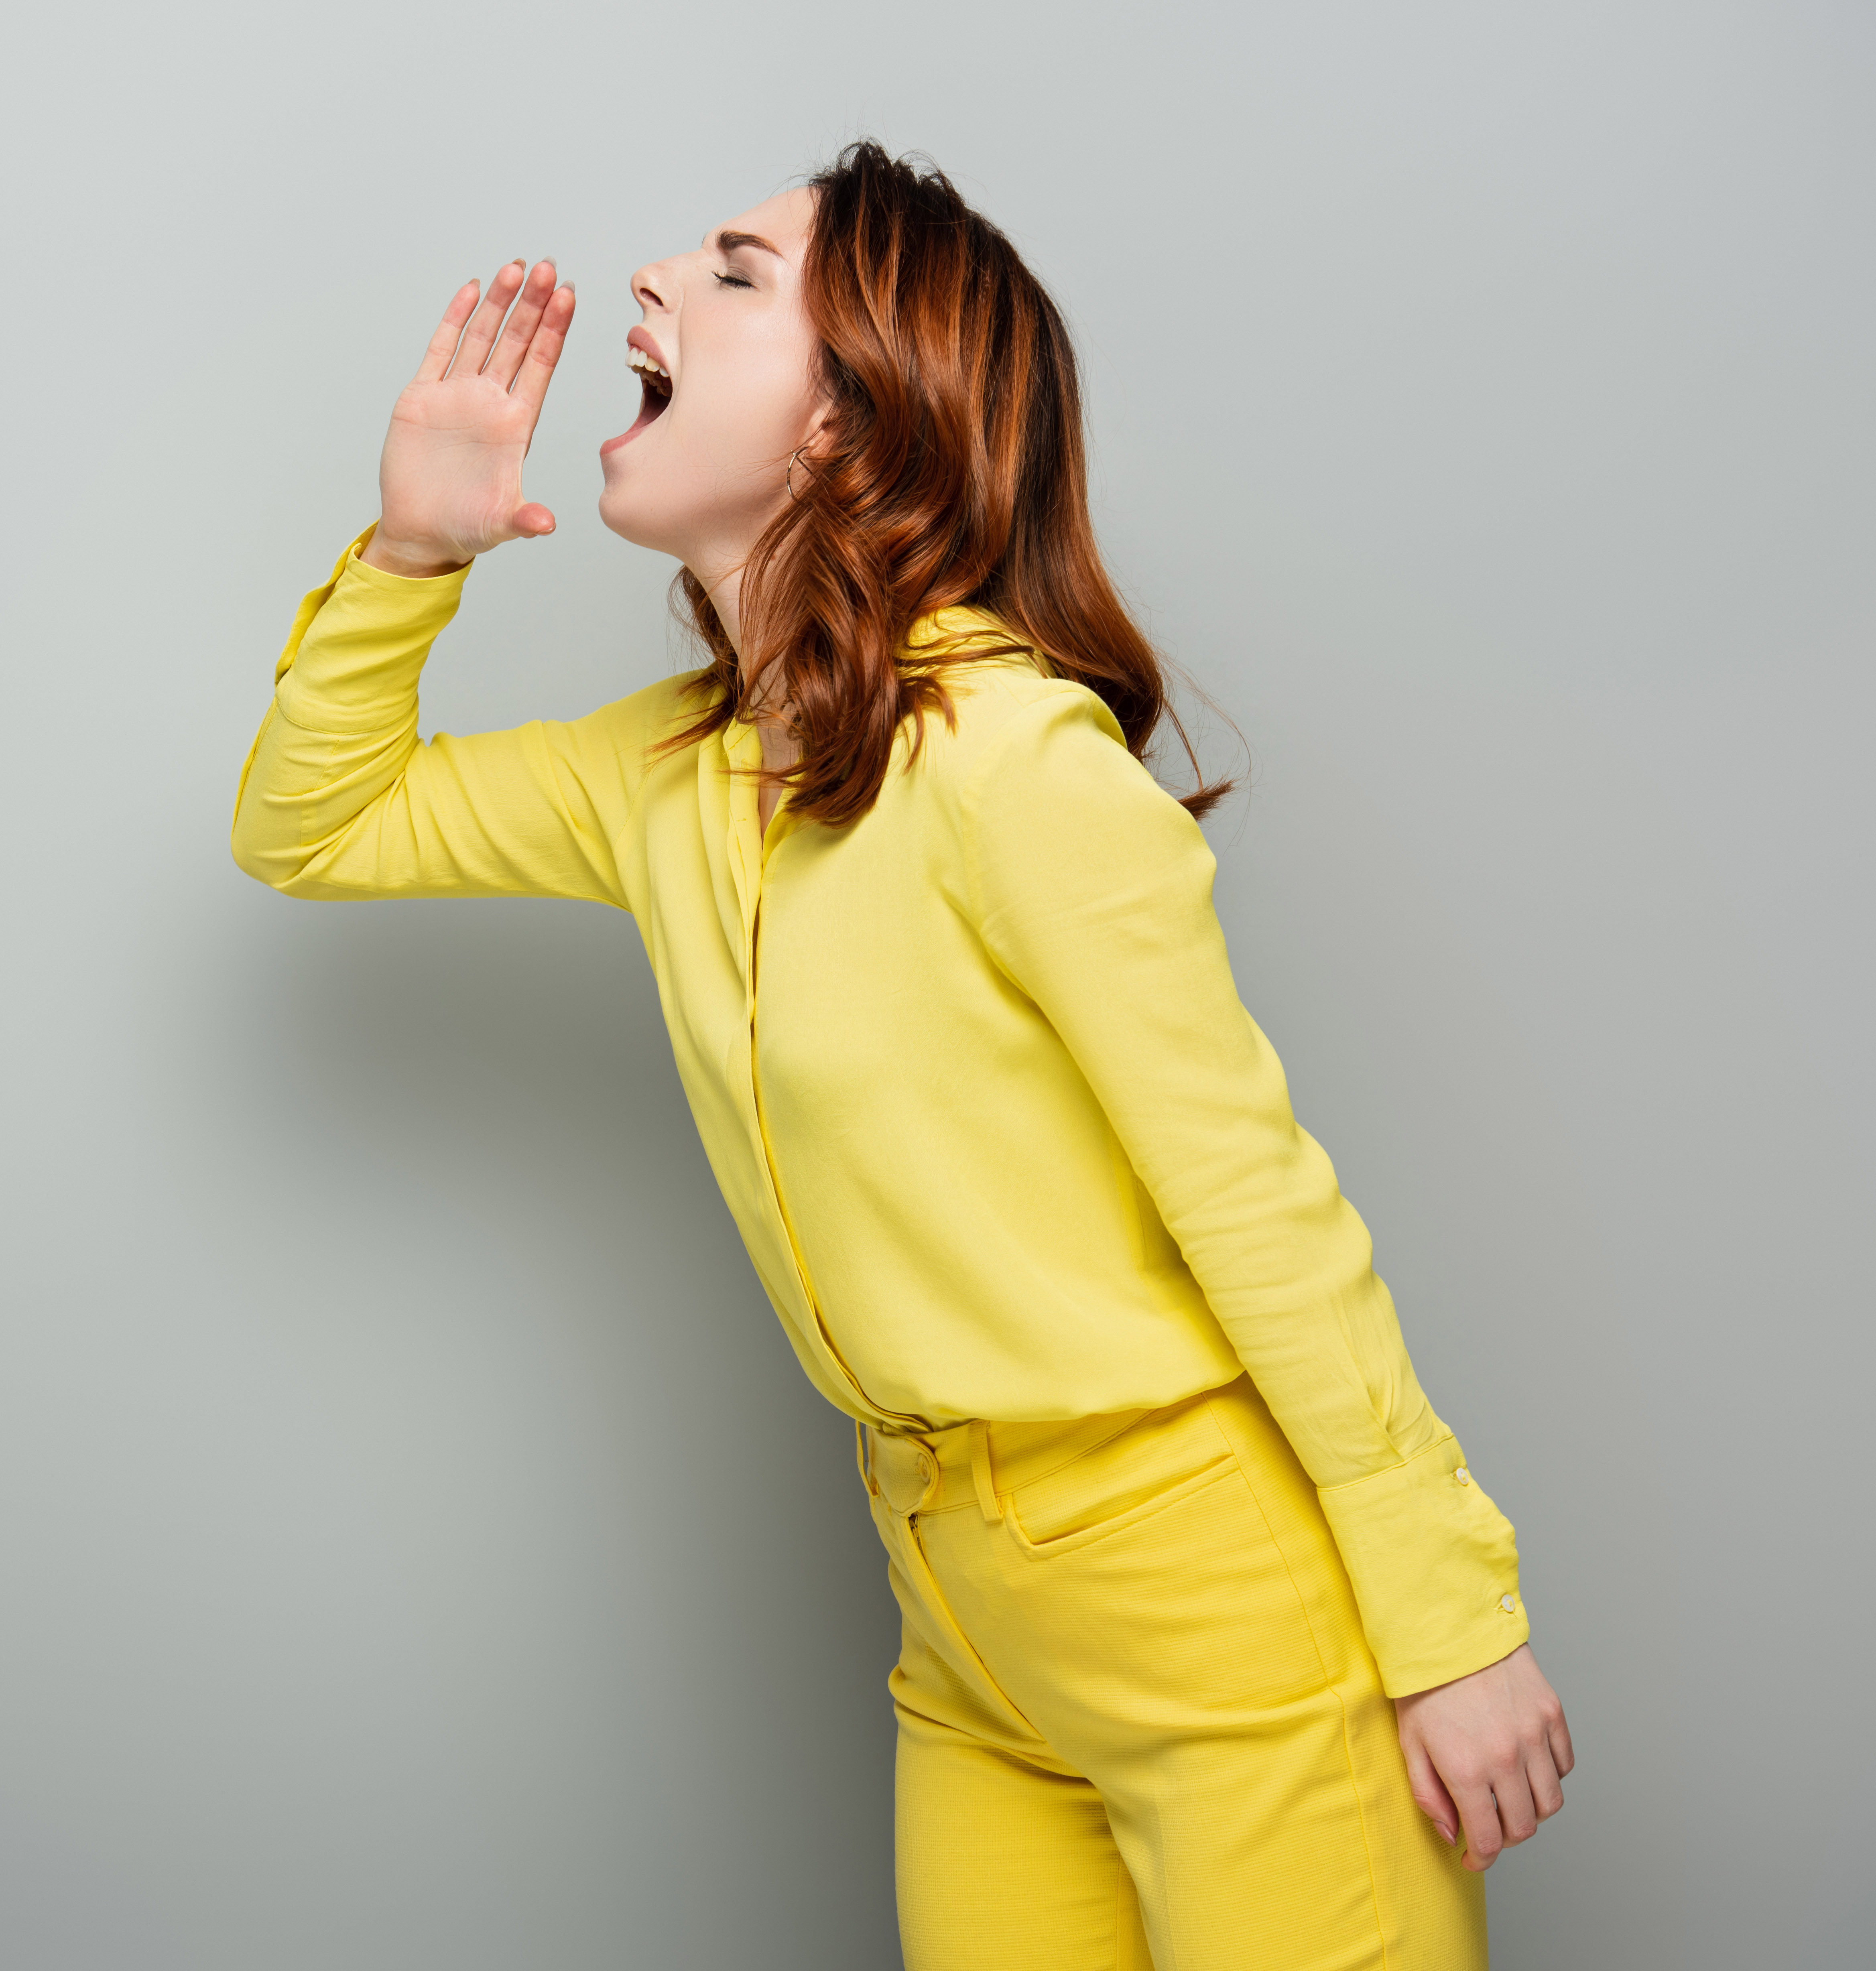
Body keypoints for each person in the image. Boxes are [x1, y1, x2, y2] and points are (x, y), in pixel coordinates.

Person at [232, 141, 1571, 1970]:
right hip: (959, 1620)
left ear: (856, 413)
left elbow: (1258, 1205)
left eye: (728, 273)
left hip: (1212, 1598)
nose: (649, 284)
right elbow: (317, 825)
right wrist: (408, 557)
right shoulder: (664, 776)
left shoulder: (1017, 767)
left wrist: (1450, 1620)